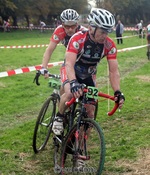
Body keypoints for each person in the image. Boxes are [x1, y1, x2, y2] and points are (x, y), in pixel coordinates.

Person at [52, 8, 125, 136]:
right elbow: (69, 63)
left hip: (88, 75)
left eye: (107, 32)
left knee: (91, 112)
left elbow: (114, 71)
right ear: (91, 28)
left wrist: (117, 92)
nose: (105, 36)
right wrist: (73, 82)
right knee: (69, 93)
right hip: (71, 70)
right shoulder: (78, 39)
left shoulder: (109, 45)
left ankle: (79, 148)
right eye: (102, 32)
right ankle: (59, 116)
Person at [40, 9, 87, 73]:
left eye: (73, 26)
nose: (70, 29)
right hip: (70, 57)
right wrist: (44, 67)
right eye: (67, 26)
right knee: (66, 79)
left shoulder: (84, 32)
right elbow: (49, 50)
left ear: (77, 24)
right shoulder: (59, 31)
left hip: (85, 60)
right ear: (62, 25)